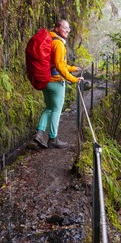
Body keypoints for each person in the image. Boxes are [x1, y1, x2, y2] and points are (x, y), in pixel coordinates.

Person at [34, 19, 83, 149]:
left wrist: (72, 68)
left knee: (49, 108)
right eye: (64, 28)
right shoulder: (59, 44)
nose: (67, 30)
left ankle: (39, 133)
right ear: (57, 28)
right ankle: (53, 138)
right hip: (56, 82)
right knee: (56, 110)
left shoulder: (49, 40)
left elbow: (56, 63)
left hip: (45, 80)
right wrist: (73, 79)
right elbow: (60, 67)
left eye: (69, 28)